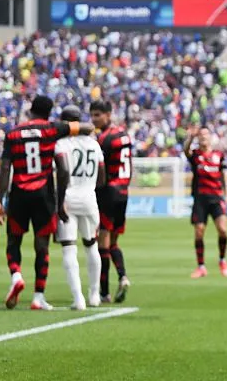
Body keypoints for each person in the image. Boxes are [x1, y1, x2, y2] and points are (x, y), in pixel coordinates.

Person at [0, 95, 95, 310]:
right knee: (42, 246)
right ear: (49, 113)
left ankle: (16, 276)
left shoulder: (13, 133)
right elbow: (88, 129)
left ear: (31, 110)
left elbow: (5, 168)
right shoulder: (52, 129)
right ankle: (38, 296)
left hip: (19, 193)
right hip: (43, 194)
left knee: (14, 240)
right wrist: (59, 203)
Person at [53, 105, 105, 310]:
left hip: (69, 198)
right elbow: (102, 177)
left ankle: (78, 299)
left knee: (69, 248)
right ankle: (94, 294)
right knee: (92, 246)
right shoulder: (94, 144)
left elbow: (63, 171)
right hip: (89, 198)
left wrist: (60, 200)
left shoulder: (61, 143)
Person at [90, 99, 133, 303]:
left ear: (108, 114)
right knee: (114, 242)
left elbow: (100, 171)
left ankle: (104, 292)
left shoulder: (104, 140)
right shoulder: (124, 135)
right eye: (92, 115)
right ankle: (123, 276)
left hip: (108, 192)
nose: (93, 119)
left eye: (97, 115)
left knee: (103, 244)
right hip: (123, 192)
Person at [184, 127, 227, 279]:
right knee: (199, 232)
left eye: (205, 134)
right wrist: (190, 138)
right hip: (200, 199)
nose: (203, 137)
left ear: (211, 137)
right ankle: (201, 266)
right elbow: (186, 151)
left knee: (223, 230)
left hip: (217, 198)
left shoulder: (218, 155)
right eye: (201, 135)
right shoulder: (196, 155)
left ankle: (222, 260)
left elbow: (224, 175)